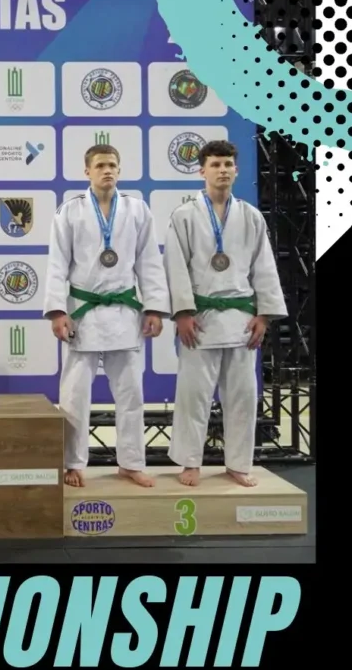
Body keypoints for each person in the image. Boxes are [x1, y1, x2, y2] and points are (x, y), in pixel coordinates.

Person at [43, 144, 171, 488]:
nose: (107, 170)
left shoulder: (137, 210)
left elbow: (149, 261)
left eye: (112, 165)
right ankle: (73, 463)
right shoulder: (69, 211)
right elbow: (56, 265)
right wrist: (57, 311)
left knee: (131, 395)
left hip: (124, 313)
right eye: (100, 165)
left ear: (120, 169)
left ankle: (131, 463)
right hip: (83, 314)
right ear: (87, 171)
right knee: (74, 397)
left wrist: (154, 307)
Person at [164, 140, 288, 487]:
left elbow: (264, 267)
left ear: (236, 170)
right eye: (216, 164)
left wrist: (264, 315)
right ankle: (190, 462)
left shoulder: (251, 216)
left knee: (242, 397)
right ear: (201, 171)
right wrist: (182, 313)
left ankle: (238, 463)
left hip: (241, 320)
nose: (222, 170)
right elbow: (175, 266)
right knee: (193, 396)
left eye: (228, 164)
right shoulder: (184, 215)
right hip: (200, 320)